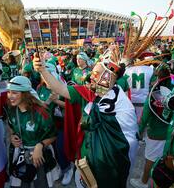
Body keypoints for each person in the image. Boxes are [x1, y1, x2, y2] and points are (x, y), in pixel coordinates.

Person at [33, 48, 138, 188]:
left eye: (95, 74)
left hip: (109, 168)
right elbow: (60, 88)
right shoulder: (88, 93)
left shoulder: (124, 105)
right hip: (85, 162)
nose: (91, 77)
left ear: (106, 77)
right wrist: (43, 71)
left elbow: (129, 141)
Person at [6, 76, 57, 188]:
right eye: (9, 92)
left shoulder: (41, 112)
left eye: (14, 93)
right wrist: (12, 136)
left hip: (40, 156)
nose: (10, 96)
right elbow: (11, 127)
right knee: (22, 183)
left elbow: (53, 135)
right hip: (20, 155)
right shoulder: (12, 110)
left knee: (41, 184)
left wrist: (39, 146)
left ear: (25, 94)